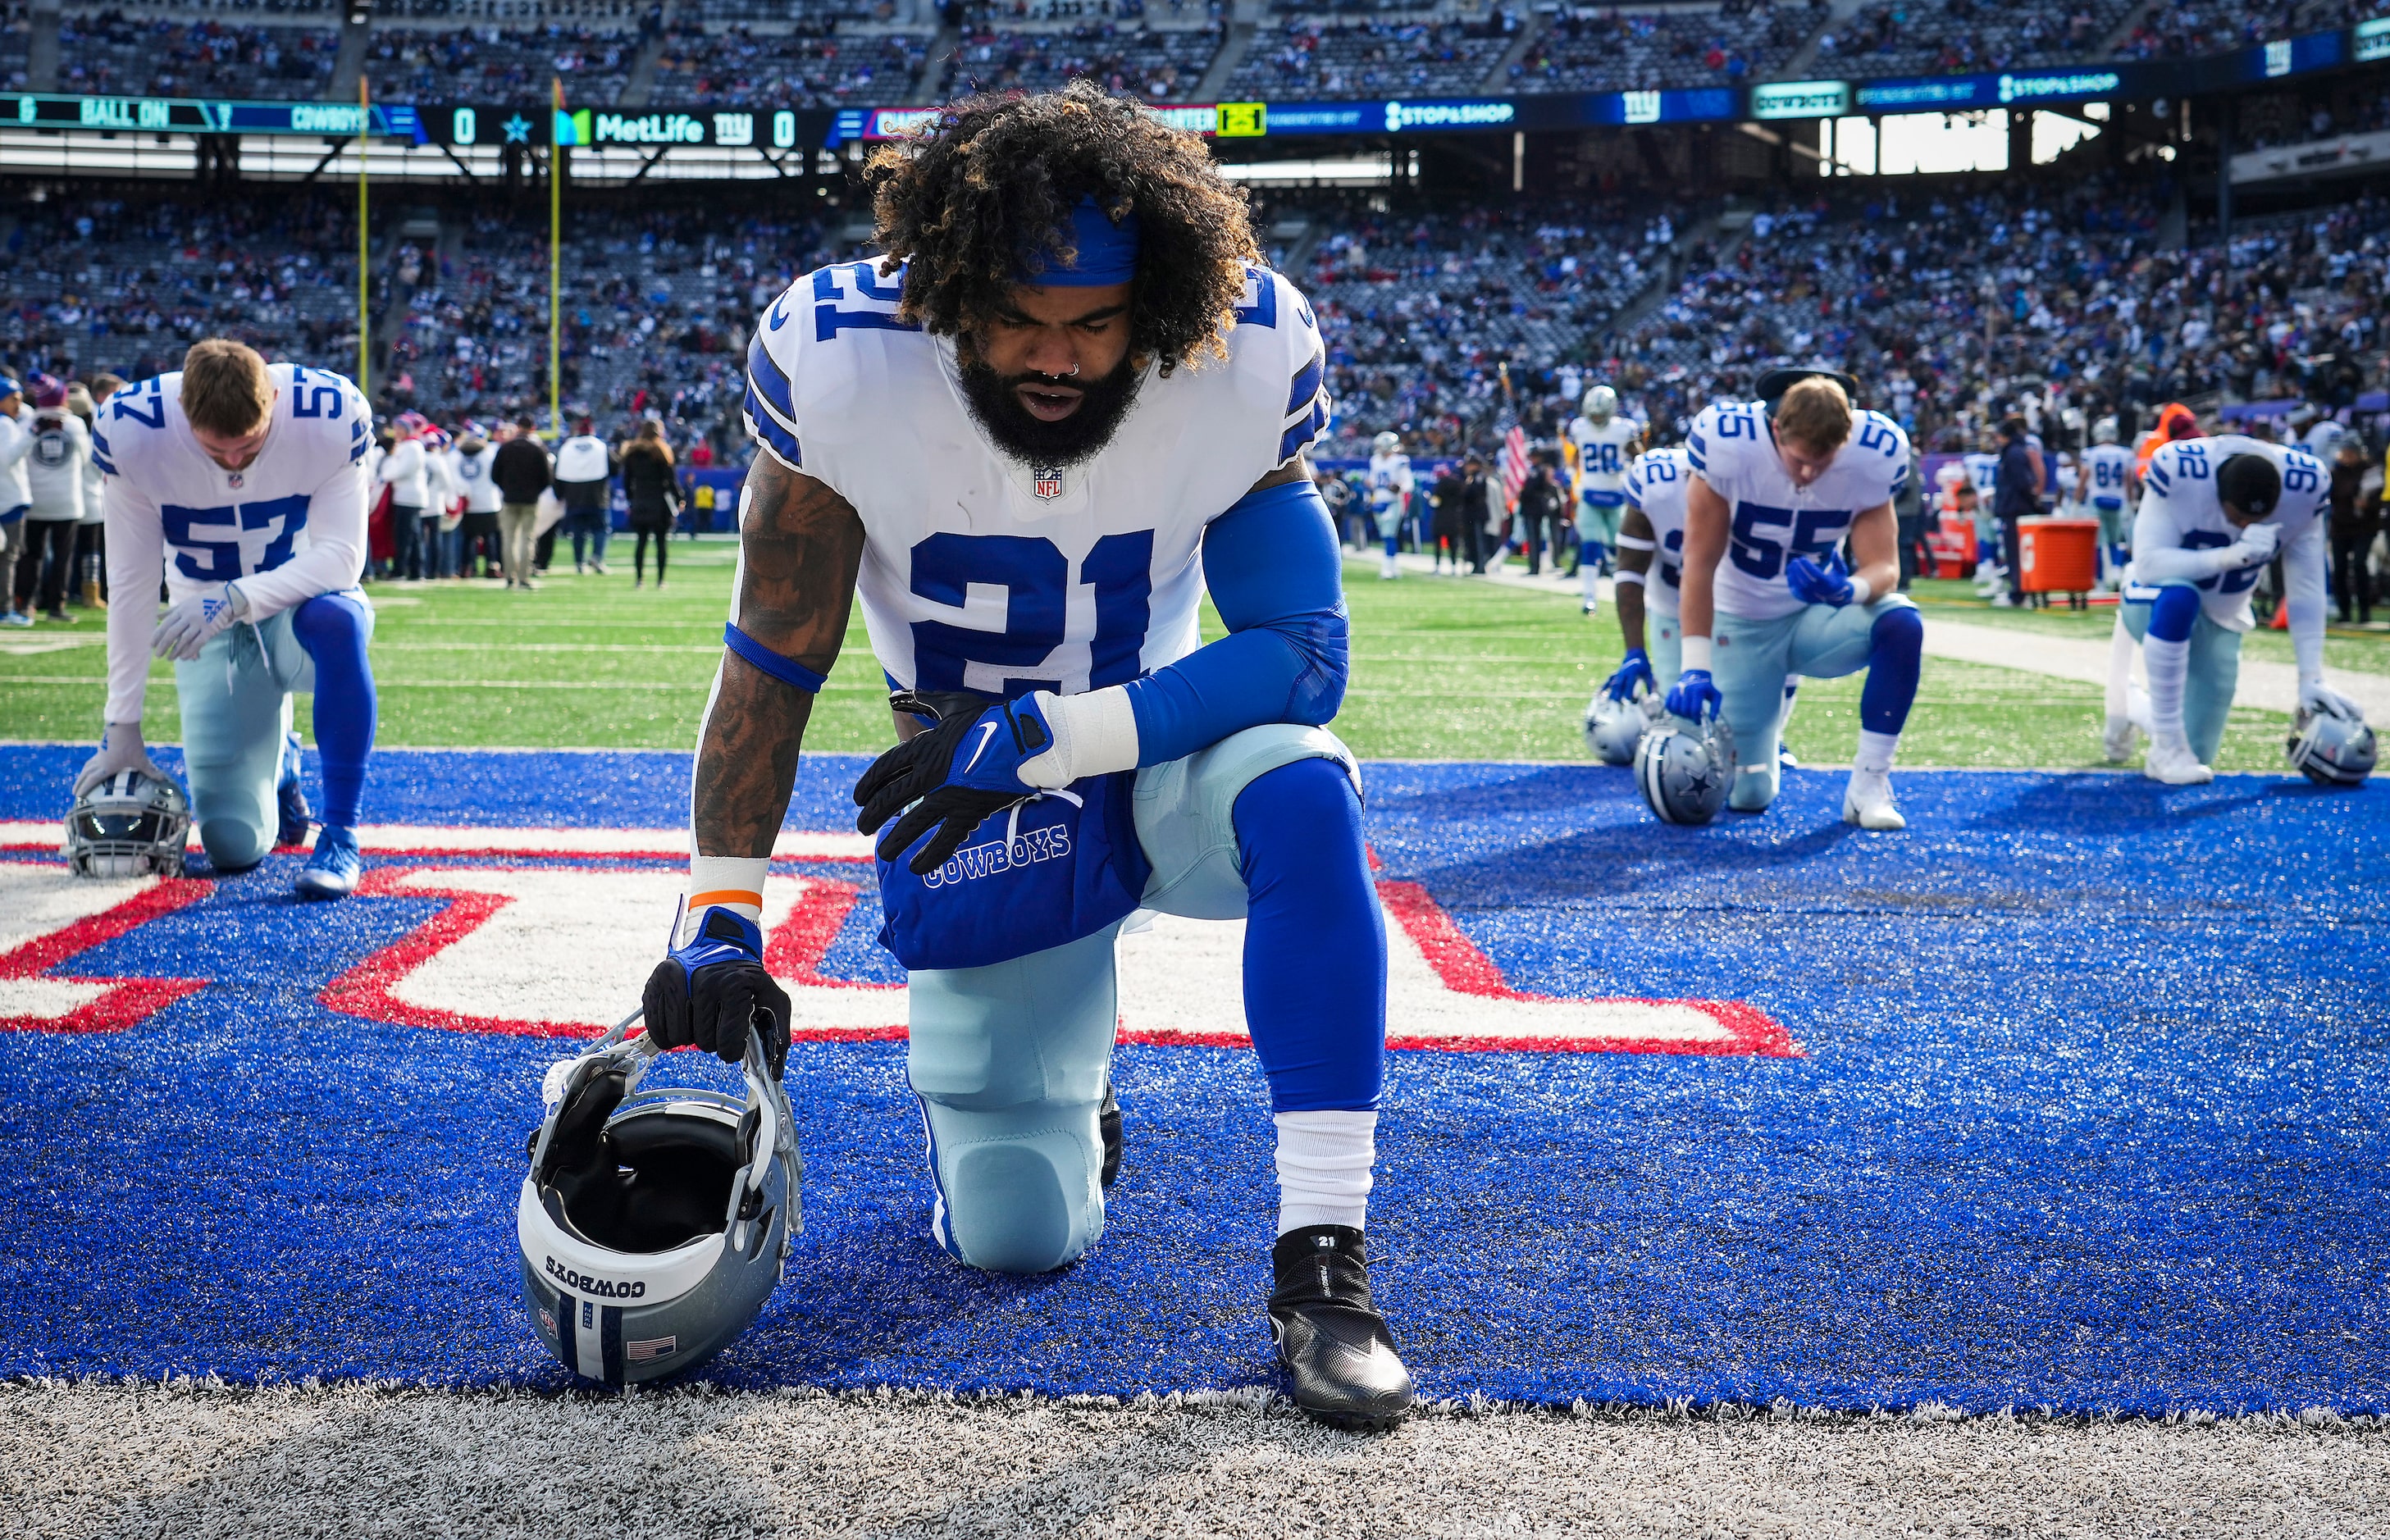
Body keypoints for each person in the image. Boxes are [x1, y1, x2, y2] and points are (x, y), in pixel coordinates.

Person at [650, 85, 1409, 1431]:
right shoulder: (841, 359)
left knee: (1301, 782)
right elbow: (773, 656)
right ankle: (1065, 1080)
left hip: (1151, 753)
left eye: (1094, 322)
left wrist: (1049, 735)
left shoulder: (1238, 349)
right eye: (1013, 316)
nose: (1053, 355)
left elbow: (1301, 652)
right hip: (966, 811)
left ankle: (1322, 1265)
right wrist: (718, 910)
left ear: (1160, 308)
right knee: (1016, 1232)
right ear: (945, 293)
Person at [80, 339, 380, 897]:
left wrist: (237, 598)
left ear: (274, 402)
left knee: (340, 620)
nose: (235, 463)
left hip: (299, 611)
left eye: (249, 445)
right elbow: (132, 581)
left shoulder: (327, 411)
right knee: (233, 845)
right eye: (218, 451)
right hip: (206, 632)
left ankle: (340, 833)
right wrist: (122, 725)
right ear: (184, 418)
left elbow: (342, 558)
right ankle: (282, 765)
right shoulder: (133, 430)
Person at [1668, 371, 1922, 829]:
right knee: (1749, 795)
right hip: (1741, 622)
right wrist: (1695, 665)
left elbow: (1884, 566)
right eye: (1799, 459)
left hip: (1814, 617)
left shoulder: (1873, 455)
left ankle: (1869, 787)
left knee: (1901, 622)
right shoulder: (1730, 446)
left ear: (1846, 441)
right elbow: (1699, 562)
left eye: (1822, 462)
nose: (1808, 474)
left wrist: (1850, 590)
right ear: (1775, 430)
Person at [2113, 435, 2356, 782]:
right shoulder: (2182, 469)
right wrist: (2229, 556)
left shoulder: (2305, 488)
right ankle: (2166, 745)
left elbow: (2307, 585)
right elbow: (2151, 565)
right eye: (2239, 516)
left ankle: (2135, 706)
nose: (2246, 525)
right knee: (2181, 597)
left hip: (2225, 615)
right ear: (2217, 494)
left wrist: (2310, 677)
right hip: (2152, 601)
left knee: (2198, 752)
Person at [1600, 440, 1692, 703]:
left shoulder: (1758, 481)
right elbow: (1629, 569)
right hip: (1671, 609)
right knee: (1677, 715)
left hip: (1739, 611)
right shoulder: (1656, 480)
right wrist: (1634, 650)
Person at [16, 375, 90, 623]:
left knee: (31, 556)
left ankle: (26, 604)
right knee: (62, 558)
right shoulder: (76, 424)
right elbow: (87, 458)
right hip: (67, 501)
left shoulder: (27, 422)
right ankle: (57, 607)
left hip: (35, 500)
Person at [1565, 384, 1642, 614]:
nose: (1596, 419)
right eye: (1593, 415)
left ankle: (1623, 594)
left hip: (1617, 496)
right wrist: (1574, 475)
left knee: (1618, 549)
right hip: (1590, 495)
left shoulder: (1624, 430)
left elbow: (1638, 457)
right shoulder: (1579, 428)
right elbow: (1577, 455)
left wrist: (1628, 469)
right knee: (1589, 545)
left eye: (1600, 414)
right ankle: (1590, 598)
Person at [71, 376, 119, 609]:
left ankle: (71, 591)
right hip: (91, 496)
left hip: (76, 496)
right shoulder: (91, 429)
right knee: (91, 549)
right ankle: (90, 592)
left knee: (69, 549)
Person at [492, 414, 552, 590]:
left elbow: (495, 475)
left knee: (509, 538)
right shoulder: (537, 449)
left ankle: (509, 576)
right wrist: (534, 491)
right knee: (527, 538)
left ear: (517, 427)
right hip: (530, 500)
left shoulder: (506, 448)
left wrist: (507, 489)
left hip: (510, 499)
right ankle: (524, 577)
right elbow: (547, 478)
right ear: (533, 428)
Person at [620, 417, 679, 589]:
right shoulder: (661, 452)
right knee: (661, 543)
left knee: (641, 542)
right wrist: (679, 498)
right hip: (659, 502)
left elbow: (627, 481)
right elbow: (671, 480)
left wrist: (632, 500)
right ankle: (660, 581)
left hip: (640, 502)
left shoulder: (632, 452)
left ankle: (639, 580)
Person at [2081, 417, 2138, 590]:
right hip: (2118, 500)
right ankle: (2115, 571)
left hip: (2096, 500)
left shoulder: (2090, 453)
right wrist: (2130, 502)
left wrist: (2076, 502)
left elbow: (2083, 479)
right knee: (2116, 541)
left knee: (2097, 544)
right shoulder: (2126, 453)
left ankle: (2099, 581)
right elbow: (2129, 481)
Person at [554, 416, 615, 574]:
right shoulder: (600, 446)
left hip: (574, 497)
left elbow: (558, 474)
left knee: (578, 532)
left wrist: (559, 495)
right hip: (598, 497)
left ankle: (579, 562)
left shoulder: (567, 447)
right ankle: (597, 557)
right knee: (601, 530)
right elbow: (615, 467)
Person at [376, 412, 432, 581]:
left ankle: (401, 569)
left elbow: (403, 470)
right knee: (412, 535)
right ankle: (415, 570)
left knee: (404, 535)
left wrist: (385, 477)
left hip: (409, 496)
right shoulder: (408, 446)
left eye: (400, 428)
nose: (397, 432)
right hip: (407, 495)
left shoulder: (412, 447)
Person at [2329, 438, 2379, 625]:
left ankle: (2364, 611)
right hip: (2340, 527)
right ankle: (2345, 612)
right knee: (2340, 569)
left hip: (2364, 527)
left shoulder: (2370, 471)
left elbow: (2379, 497)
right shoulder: (2335, 473)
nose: (2347, 457)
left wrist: (2368, 505)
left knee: (2359, 565)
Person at [1991, 417, 2039, 608]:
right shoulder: (2016, 452)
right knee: (2016, 553)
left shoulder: (2014, 454)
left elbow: (2023, 483)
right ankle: (2019, 591)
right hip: (2017, 507)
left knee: (2016, 554)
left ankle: (2018, 594)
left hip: (2016, 509)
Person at [448, 422, 504, 580]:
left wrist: (464, 493)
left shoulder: (456, 455)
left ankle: (466, 567)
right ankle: (492, 566)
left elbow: (453, 478)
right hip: (489, 501)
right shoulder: (490, 453)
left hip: (468, 503)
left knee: (468, 538)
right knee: (490, 537)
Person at [0, 376, 33, 628]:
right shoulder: (5, 425)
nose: (18, 405)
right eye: (14, 399)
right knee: (9, 557)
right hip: (9, 501)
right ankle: (6, 608)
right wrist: (31, 435)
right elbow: (6, 460)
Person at [1366, 430, 1412, 580]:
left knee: (1389, 536)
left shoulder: (1400, 461)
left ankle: (1387, 569)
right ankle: (1393, 568)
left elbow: (1408, 483)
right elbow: (1373, 480)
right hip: (1379, 501)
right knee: (1385, 536)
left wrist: (1399, 487)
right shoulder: (1375, 460)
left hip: (1393, 502)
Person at [1517, 451, 1567, 576]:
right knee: (1536, 538)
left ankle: (1536, 566)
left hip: (1534, 508)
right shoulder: (1536, 471)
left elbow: (1529, 490)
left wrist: (1523, 494)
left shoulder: (1538, 471)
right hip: (1538, 508)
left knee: (1535, 537)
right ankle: (1537, 564)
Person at [1428, 457, 1468, 575]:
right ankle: (1454, 567)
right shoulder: (1458, 483)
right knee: (1453, 544)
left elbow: (1435, 502)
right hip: (1454, 517)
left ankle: (1437, 567)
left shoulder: (1439, 485)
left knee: (1438, 544)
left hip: (1440, 517)